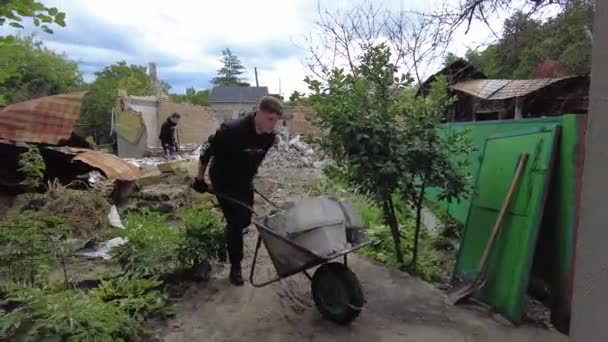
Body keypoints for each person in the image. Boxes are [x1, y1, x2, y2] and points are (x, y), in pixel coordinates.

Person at [191, 96, 283, 285]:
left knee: (245, 220)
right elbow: (205, 152)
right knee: (235, 221)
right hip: (223, 180)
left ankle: (227, 239)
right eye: (270, 119)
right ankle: (235, 267)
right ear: (259, 112)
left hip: (244, 181)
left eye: (276, 121)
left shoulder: (269, 137)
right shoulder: (231, 131)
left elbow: (254, 158)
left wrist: (249, 174)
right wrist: (200, 179)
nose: (273, 125)